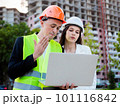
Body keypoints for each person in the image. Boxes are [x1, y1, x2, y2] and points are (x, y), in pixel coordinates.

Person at [8, 5, 75, 90]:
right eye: (52, 26)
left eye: (58, 28)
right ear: (42, 23)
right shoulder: (23, 41)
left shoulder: (58, 47)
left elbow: (58, 77)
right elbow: (11, 73)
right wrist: (34, 56)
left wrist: (63, 86)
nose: (55, 31)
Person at [59, 16, 96, 90]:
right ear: (65, 31)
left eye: (77, 32)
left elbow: (92, 76)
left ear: (79, 35)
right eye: (71, 30)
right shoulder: (58, 50)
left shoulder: (86, 51)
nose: (73, 34)